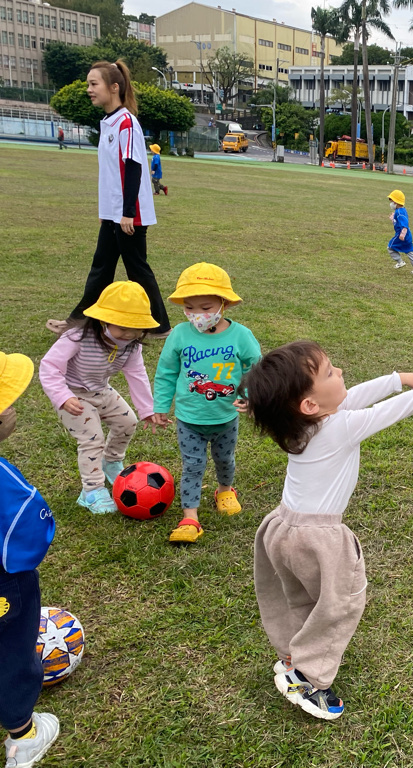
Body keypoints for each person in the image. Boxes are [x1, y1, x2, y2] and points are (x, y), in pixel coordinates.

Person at [241, 341, 413, 719]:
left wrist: (397, 378)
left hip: (281, 527)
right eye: (330, 372)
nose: (340, 373)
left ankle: (292, 656)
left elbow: (352, 397)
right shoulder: (340, 427)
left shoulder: (299, 426)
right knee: (340, 605)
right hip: (318, 537)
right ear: (309, 404)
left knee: (299, 598)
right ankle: (308, 678)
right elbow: (392, 410)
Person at [46, 60, 170, 338]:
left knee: (137, 269)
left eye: (94, 84)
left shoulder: (126, 122)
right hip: (114, 212)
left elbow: (133, 167)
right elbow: (111, 174)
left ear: (114, 87)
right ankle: (79, 320)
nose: (89, 89)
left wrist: (127, 212)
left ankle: (160, 326)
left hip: (130, 213)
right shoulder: (108, 122)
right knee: (102, 266)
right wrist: (106, 211)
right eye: (88, 84)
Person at [152, 263, 261, 545]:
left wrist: (250, 397)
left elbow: (255, 368)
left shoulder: (241, 336)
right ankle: (190, 518)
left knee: (225, 459)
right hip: (189, 419)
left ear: (224, 303)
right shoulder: (179, 334)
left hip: (226, 418)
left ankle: (225, 490)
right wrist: (161, 406)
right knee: (192, 465)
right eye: (189, 308)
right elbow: (166, 372)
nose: (197, 314)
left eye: (205, 307)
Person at [39, 281, 162, 513]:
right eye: (123, 327)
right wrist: (62, 396)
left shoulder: (131, 346)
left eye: (137, 328)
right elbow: (49, 366)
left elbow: (137, 375)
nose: (130, 334)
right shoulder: (77, 337)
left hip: (101, 390)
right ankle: (91, 490)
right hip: (73, 395)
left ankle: (111, 462)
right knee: (92, 438)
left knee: (128, 422)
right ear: (103, 320)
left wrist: (147, 409)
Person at [0, 349, 60, 768]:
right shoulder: (3, 479)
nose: (13, 409)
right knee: (11, 653)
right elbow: (30, 528)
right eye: (7, 404)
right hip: (6, 586)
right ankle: (24, 736)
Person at [387, 190, 413, 274]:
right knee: (410, 251)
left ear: (396, 202)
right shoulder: (401, 210)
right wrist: (393, 219)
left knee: (390, 247)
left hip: (401, 235)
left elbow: (404, 224)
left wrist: (402, 234)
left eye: (392, 201)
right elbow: (399, 222)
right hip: (407, 235)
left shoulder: (399, 212)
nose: (391, 204)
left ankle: (400, 262)